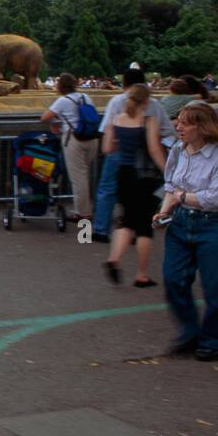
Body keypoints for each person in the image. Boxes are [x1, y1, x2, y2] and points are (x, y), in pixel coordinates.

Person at [153, 102, 218, 360]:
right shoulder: (178, 151)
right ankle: (190, 330)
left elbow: (217, 198)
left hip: (215, 225)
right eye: (177, 120)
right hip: (181, 222)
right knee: (173, 279)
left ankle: (214, 340)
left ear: (203, 127)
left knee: (216, 287)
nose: (178, 126)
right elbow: (171, 186)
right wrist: (164, 211)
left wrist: (180, 197)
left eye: (185, 122)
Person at [92, 67, 177, 243]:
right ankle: (134, 227)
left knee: (107, 189)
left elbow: (106, 130)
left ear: (124, 83)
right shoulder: (154, 104)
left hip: (119, 153)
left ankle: (101, 229)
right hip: (146, 158)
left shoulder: (116, 102)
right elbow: (168, 130)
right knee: (140, 193)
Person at [102, 86, 168, 287]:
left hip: (124, 173)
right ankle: (141, 274)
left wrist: (120, 143)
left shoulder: (117, 120)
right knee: (144, 226)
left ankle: (114, 258)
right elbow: (154, 150)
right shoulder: (148, 121)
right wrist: (169, 173)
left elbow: (107, 148)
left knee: (126, 220)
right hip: (145, 176)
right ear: (146, 102)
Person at [42, 72, 98, 221]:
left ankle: (83, 214)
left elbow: (44, 117)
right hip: (91, 139)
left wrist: (56, 120)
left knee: (78, 178)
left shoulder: (63, 101)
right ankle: (85, 208)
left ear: (61, 86)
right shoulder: (85, 97)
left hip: (74, 140)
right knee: (83, 175)